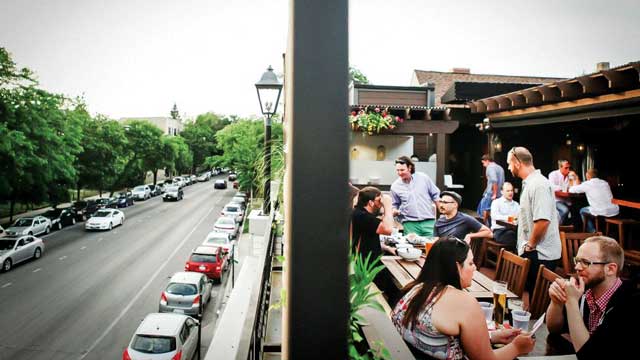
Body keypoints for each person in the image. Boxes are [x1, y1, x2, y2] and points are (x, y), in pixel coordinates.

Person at [391, 237, 535, 359]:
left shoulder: (416, 289)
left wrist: (492, 337)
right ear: (457, 267)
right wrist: (517, 347)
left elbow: (438, 337)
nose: (475, 268)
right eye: (471, 263)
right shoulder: (465, 303)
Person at [546, 236, 638, 358]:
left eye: (585, 262)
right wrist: (556, 303)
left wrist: (571, 301)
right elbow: (554, 329)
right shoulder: (585, 290)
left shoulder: (630, 304)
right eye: (577, 261)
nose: (577, 267)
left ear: (610, 269)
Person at [507, 146, 561, 295]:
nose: (508, 167)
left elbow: (543, 220)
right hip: (536, 251)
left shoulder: (538, 184)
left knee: (538, 299)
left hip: (540, 253)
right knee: (532, 295)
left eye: (509, 163)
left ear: (518, 163)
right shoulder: (531, 183)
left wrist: (529, 245)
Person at [351, 186, 399, 303]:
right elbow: (388, 229)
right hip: (365, 264)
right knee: (395, 291)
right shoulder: (362, 216)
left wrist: (384, 247)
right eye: (379, 201)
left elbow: (363, 235)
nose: (380, 204)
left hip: (368, 260)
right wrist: (388, 205)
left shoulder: (359, 214)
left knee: (392, 287)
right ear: (371, 203)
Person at [391, 156, 440, 236]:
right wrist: (394, 210)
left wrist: (443, 214)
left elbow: (435, 195)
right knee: (412, 247)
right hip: (409, 223)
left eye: (402, 170)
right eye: (397, 170)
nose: (399, 173)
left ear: (409, 168)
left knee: (431, 246)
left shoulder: (423, 178)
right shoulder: (395, 186)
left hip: (428, 221)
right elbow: (394, 205)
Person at [490, 182, 520, 253]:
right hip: (499, 231)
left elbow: (519, 218)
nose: (510, 193)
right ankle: (514, 260)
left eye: (512, 190)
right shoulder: (496, 202)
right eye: (508, 191)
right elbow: (495, 216)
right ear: (502, 192)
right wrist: (510, 218)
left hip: (513, 230)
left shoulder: (516, 204)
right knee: (513, 237)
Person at [548, 160, 578, 225]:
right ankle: (556, 227)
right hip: (556, 200)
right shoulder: (553, 174)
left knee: (577, 210)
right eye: (566, 168)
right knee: (565, 210)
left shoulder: (570, 176)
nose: (568, 170)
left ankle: (570, 230)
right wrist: (566, 191)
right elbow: (554, 190)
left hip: (568, 201)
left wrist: (576, 176)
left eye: (569, 168)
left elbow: (576, 188)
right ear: (560, 167)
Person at [477, 154, 505, 219]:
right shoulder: (500, 168)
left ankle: (485, 228)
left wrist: (494, 194)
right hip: (500, 194)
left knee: (482, 212)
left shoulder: (490, 167)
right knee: (494, 213)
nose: (483, 165)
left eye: (483, 163)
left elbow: (494, 180)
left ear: (487, 161)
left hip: (491, 194)